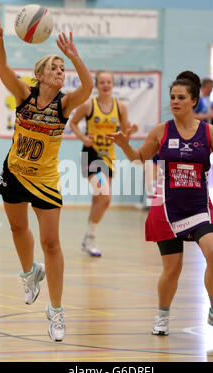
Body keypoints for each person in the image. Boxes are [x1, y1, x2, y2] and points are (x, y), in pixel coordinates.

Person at [0, 18, 93, 341]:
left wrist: (74, 56)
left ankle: (57, 311)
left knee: (52, 243)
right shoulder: (24, 94)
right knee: (18, 229)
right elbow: (1, 65)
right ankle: (29, 273)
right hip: (15, 172)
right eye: (56, 68)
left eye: (63, 69)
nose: (61, 72)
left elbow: (86, 88)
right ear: (41, 75)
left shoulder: (65, 103)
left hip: (45, 180)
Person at [108, 71, 213, 336]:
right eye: (172, 97)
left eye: (181, 97)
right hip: (167, 207)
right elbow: (138, 158)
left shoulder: (208, 131)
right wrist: (124, 145)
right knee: (172, 269)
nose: (175, 101)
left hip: (199, 205)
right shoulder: (161, 131)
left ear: (193, 101)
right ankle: (162, 316)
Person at [69, 70, 138, 257]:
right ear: (97, 85)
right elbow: (73, 123)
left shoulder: (120, 107)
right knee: (106, 197)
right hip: (91, 155)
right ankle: (90, 238)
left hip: (109, 156)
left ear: (113, 84)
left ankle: (88, 239)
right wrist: (83, 137)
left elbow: (124, 134)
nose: (106, 85)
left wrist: (131, 130)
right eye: (102, 82)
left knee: (98, 199)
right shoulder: (89, 105)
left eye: (109, 82)